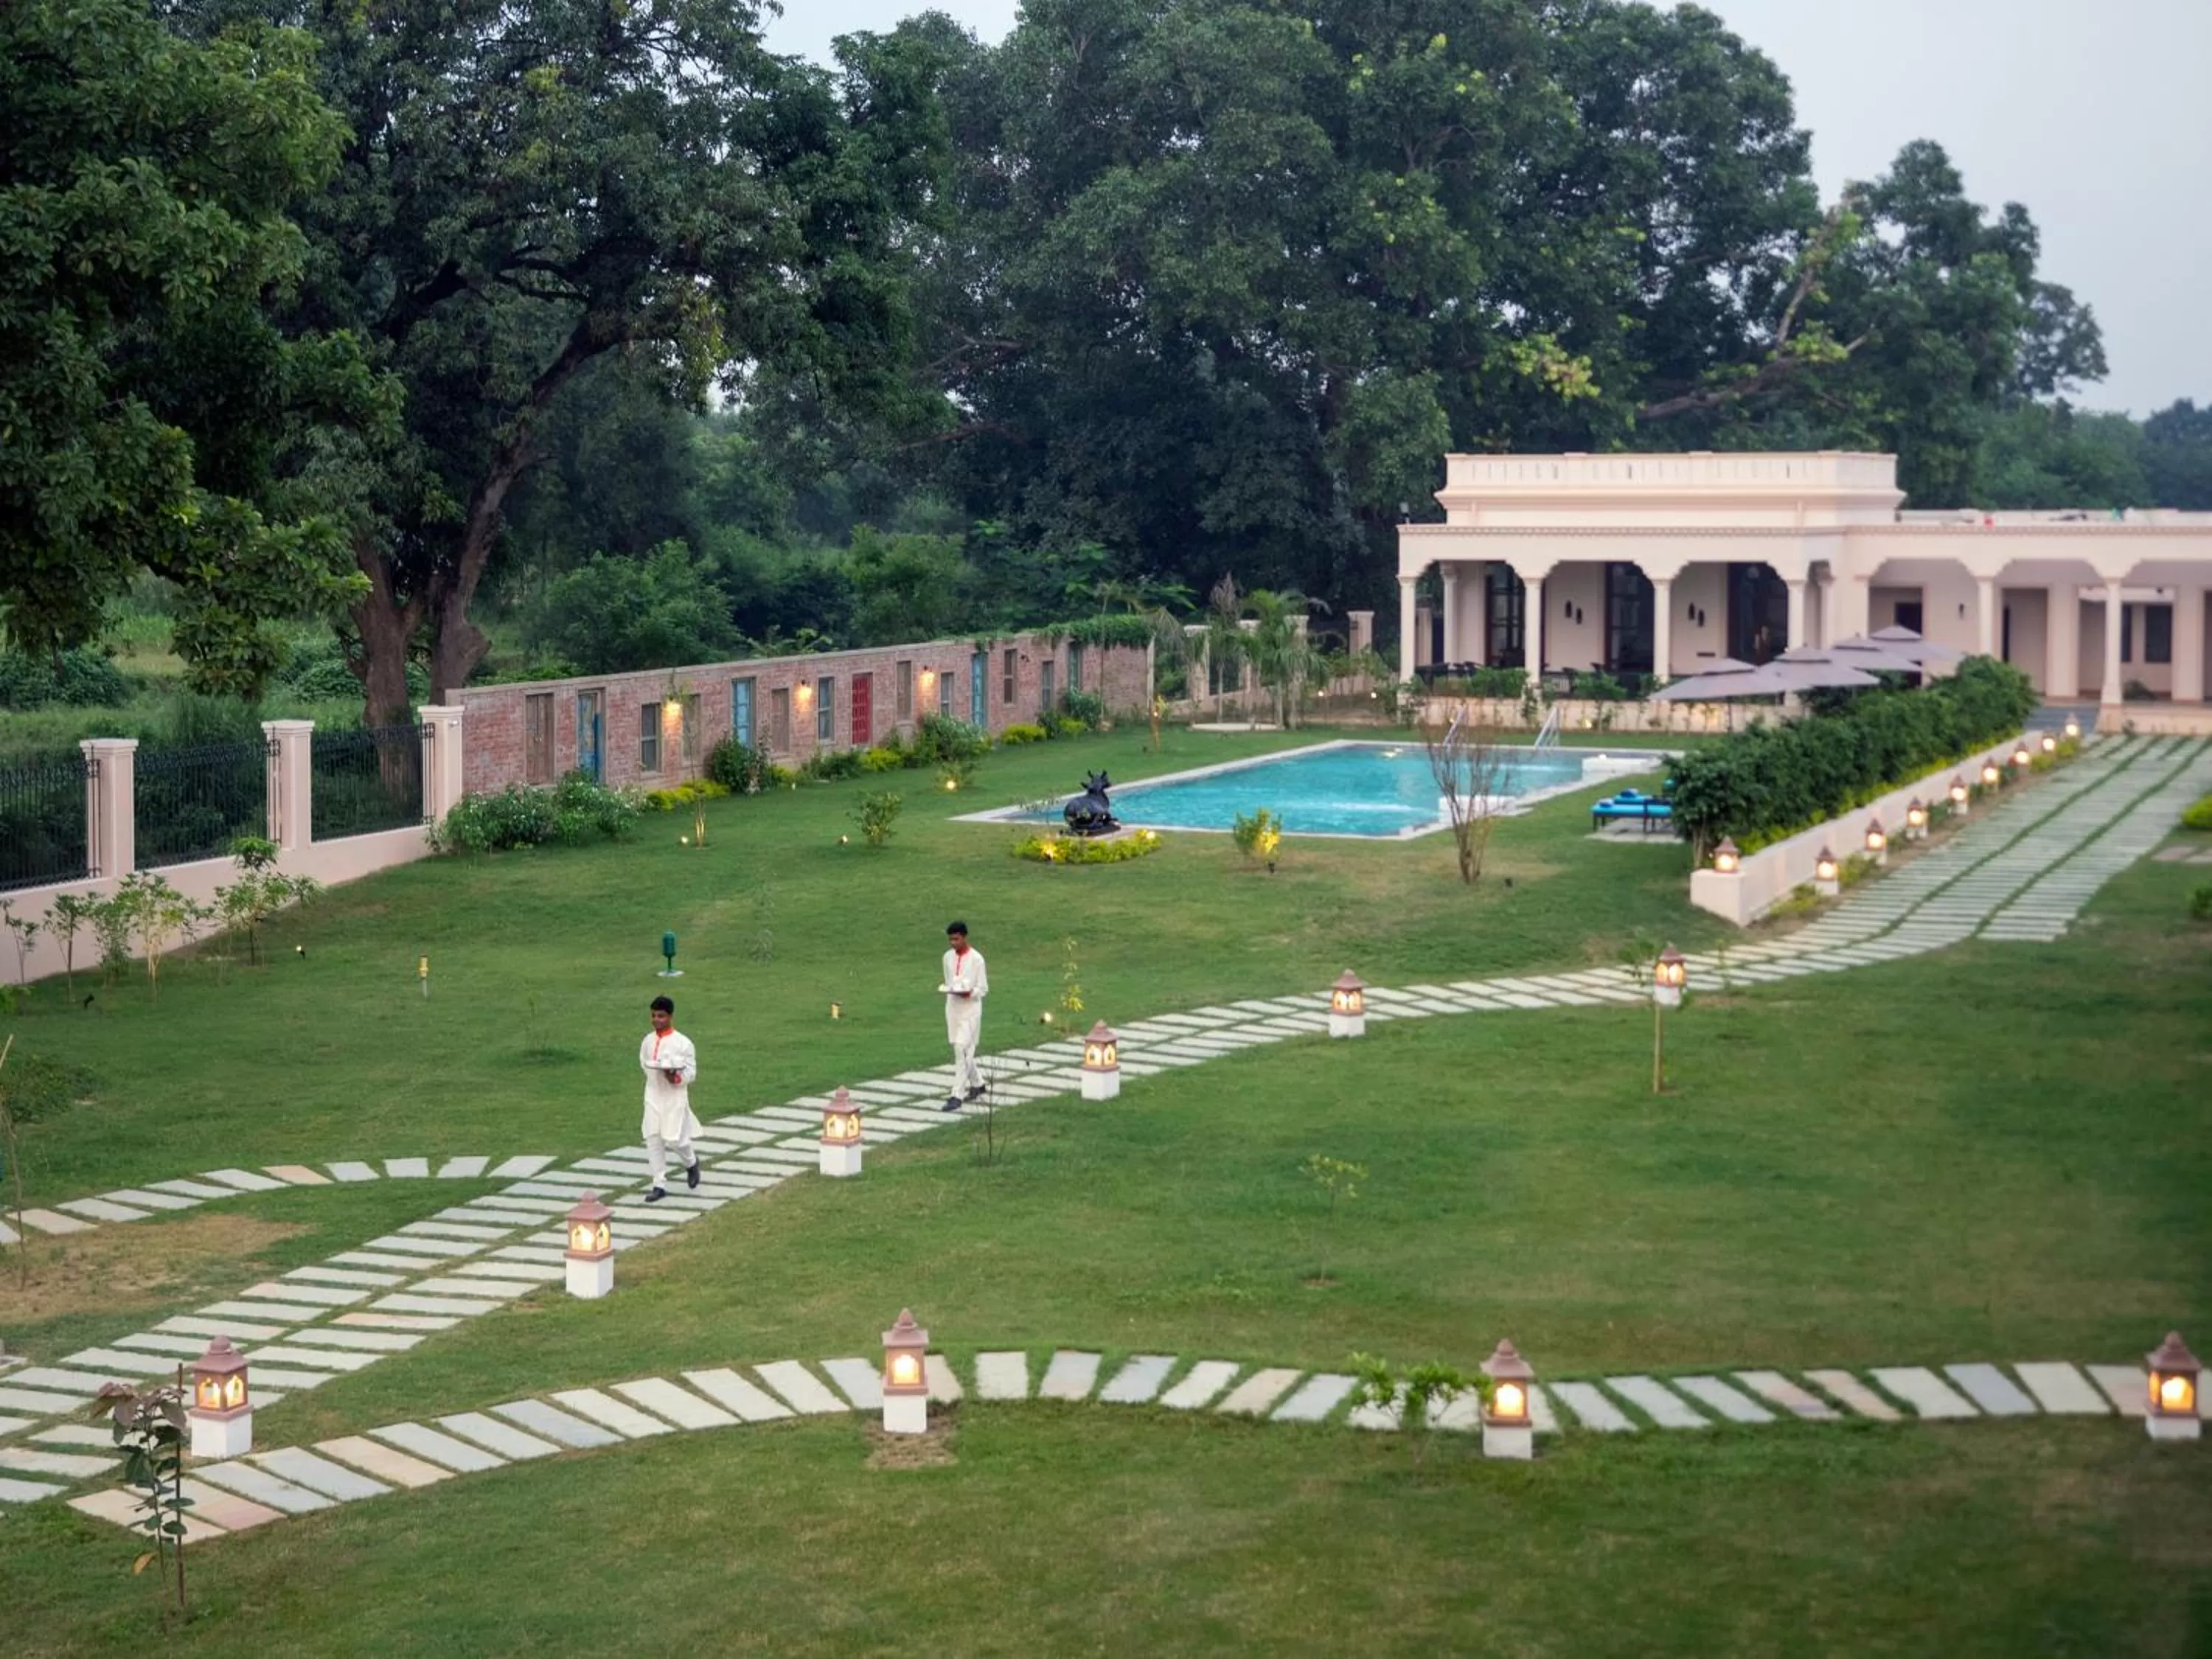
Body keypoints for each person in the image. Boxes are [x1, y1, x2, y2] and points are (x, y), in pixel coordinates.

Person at [639, 995, 701, 1202]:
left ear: (670, 1017)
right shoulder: (648, 1041)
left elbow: (691, 1073)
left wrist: (674, 1077)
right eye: (654, 1016)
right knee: (653, 1138)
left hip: (675, 1097)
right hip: (653, 1094)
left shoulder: (683, 1043)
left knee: (675, 1140)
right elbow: (644, 1063)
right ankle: (659, 1184)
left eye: (661, 1016)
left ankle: (691, 1162)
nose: (657, 1020)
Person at [939, 920, 988, 1110]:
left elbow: (983, 988)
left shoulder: (977, 960)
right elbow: (949, 981)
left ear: (965, 937)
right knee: (962, 1050)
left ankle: (956, 1095)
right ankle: (978, 1084)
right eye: (951, 940)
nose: (953, 943)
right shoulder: (947, 958)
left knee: (962, 1049)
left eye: (957, 939)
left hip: (970, 1011)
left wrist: (970, 993)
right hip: (953, 1009)